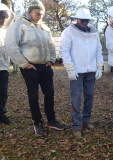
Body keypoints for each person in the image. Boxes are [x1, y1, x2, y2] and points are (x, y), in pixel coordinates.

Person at [5, 0, 66, 136]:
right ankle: (37, 123)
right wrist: (24, 64)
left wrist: (51, 60)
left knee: (49, 93)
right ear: (30, 11)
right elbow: (11, 46)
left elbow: (51, 45)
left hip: (45, 66)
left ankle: (51, 120)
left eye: (42, 14)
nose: (40, 16)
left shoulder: (44, 27)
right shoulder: (19, 25)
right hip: (29, 67)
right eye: (37, 13)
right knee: (33, 96)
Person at [60, 8, 104, 138]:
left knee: (89, 96)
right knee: (76, 98)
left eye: (86, 20)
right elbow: (64, 50)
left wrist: (99, 67)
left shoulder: (94, 33)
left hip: (91, 71)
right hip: (77, 71)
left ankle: (86, 120)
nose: (84, 22)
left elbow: (98, 50)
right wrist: (69, 68)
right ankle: (76, 125)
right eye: (82, 19)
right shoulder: (69, 32)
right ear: (77, 19)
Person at [0, 3, 14, 124]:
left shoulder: (5, 31)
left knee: (3, 91)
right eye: (0, 16)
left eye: (4, 17)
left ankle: (1, 113)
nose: (2, 19)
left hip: (3, 67)